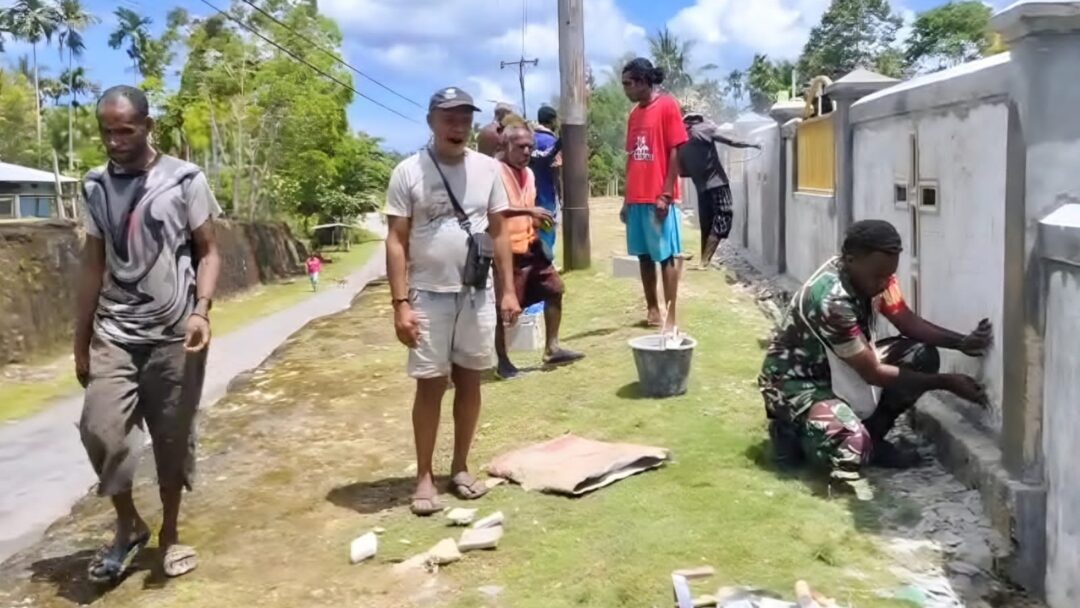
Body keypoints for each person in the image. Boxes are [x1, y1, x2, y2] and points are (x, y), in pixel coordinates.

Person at [75, 85, 221, 582]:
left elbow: (209, 251)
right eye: (107, 132)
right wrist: (80, 341)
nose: (115, 141)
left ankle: (171, 534)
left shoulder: (184, 178)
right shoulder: (95, 186)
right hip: (115, 332)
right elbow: (92, 266)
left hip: (177, 333)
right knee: (100, 429)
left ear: (147, 126)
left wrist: (201, 311)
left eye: (126, 130)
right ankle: (129, 524)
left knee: (172, 437)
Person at [758, 220, 993, 500]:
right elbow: (873, 373)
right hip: (797, 382)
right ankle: (792, 434)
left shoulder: (874, 277)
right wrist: (945, 382)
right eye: (878, 276)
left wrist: (961, 342)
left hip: (841, 368)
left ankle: (873, 437)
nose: (884, 283)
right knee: (851, 447)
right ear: (850, 260)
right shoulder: (832, 301)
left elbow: (905, 319)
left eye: (889, 275)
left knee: (920, 355)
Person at [385, 86, 521, 516]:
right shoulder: (408, 172)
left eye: (464, 117)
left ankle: (460, 467)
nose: (457, 125)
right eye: (449, 117)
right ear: (431, 121)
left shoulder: (488, 169)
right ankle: (424, 476)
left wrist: (508, 290)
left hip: (476, 294)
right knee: (430, 385)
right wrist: (400, 303)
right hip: (427, 295)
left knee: (470, 381)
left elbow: (498, 232)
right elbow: (396, 240)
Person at [493, 120, 584, 380]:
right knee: (503, 308)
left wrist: (536, 220)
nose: (526, 152)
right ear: (505, 145)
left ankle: (552, 348)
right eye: (520, 147)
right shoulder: (493, 173)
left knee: (555, 290)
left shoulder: (529, 174)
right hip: (505, 251)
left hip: (530, 245)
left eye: (530, 147)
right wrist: (528, 211)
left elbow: (527, 206)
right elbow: (493, 210)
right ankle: (502, 362)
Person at [620, 58, 690, 332]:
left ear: (643, 81)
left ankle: (671, 316)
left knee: (666, 256)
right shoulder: (634, 114)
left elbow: (675, 150)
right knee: (644, 256)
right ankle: (652, 309)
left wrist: (666, 193)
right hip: (636, 198)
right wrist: (626, 200)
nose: (625, 89)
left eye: (628, 83)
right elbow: (631, 158)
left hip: (658, 197)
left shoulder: (668, 105)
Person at [679, 112, 761, 269]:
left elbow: (682, 168)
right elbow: (731, 140)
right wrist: (753, 144)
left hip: (700, 186)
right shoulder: (705, 128)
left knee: (706, 222)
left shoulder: (681, 134)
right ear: (698, 119)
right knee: (724, 217)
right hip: (717, 183)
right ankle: (704, 261)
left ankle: (704, 260)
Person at [531, 105, 563, 252]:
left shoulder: (529, 139)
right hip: (547, 195)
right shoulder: (551, 142)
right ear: (552, 121)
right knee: (547, 234)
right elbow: (556, 170)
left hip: (529, 196)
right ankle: (545, 260)